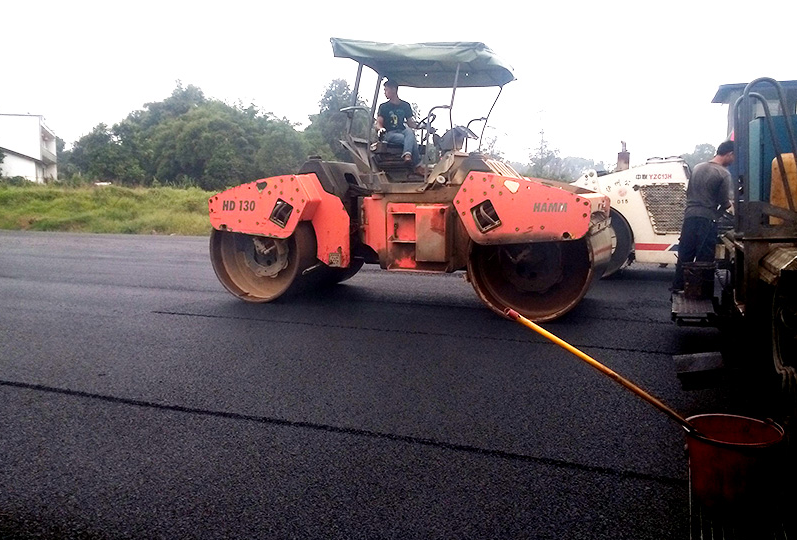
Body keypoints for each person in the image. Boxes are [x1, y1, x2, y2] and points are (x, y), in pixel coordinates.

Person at [672, 140, 735, 291]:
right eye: (733, 157)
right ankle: (703, 291)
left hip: (690, 216)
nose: (733, 161)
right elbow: (723, 201)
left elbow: (689, 192)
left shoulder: (698, 167)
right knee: (704, 258)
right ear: (729, 154)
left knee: (685, 253)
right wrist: (731, 209)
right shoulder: (723, 173)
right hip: (707, 219)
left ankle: (678, 286)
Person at [376, 79, 422, 172]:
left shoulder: (405, 105)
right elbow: (379, 123)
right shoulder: (383, 107)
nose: (385, 93)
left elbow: (410, 123)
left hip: (402, 131)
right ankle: (416, 166)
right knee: (411, 140)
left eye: (386, 90)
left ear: (394, 90)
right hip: (389, 134)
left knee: (409, 131)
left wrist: (422, 126)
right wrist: (380, 129)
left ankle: (407, 155)